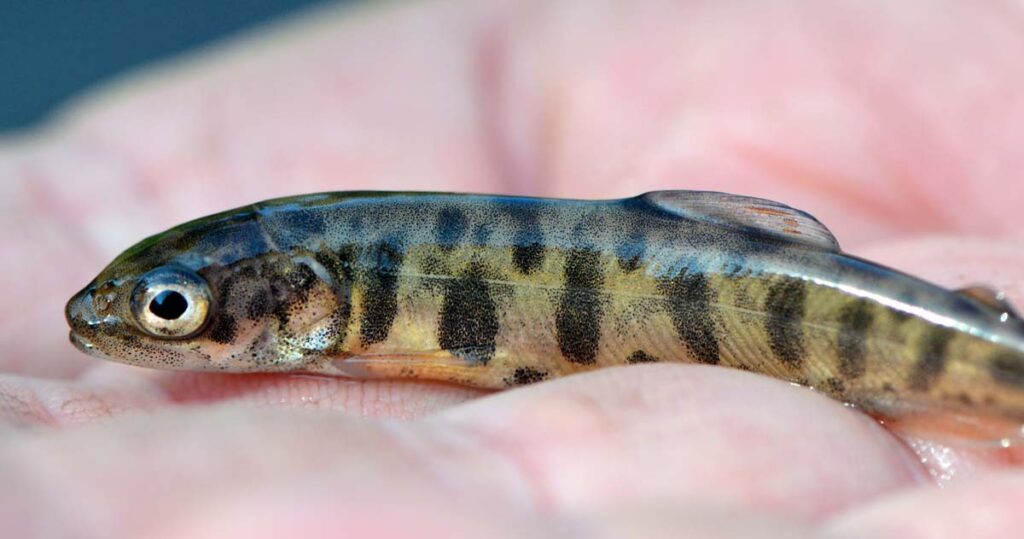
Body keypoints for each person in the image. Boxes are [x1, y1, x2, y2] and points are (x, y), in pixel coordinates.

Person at [2, 1, 1023, 536]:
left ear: (306, 297)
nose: (136, 330)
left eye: (169, 308)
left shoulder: (351, 282)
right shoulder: (336, 265)